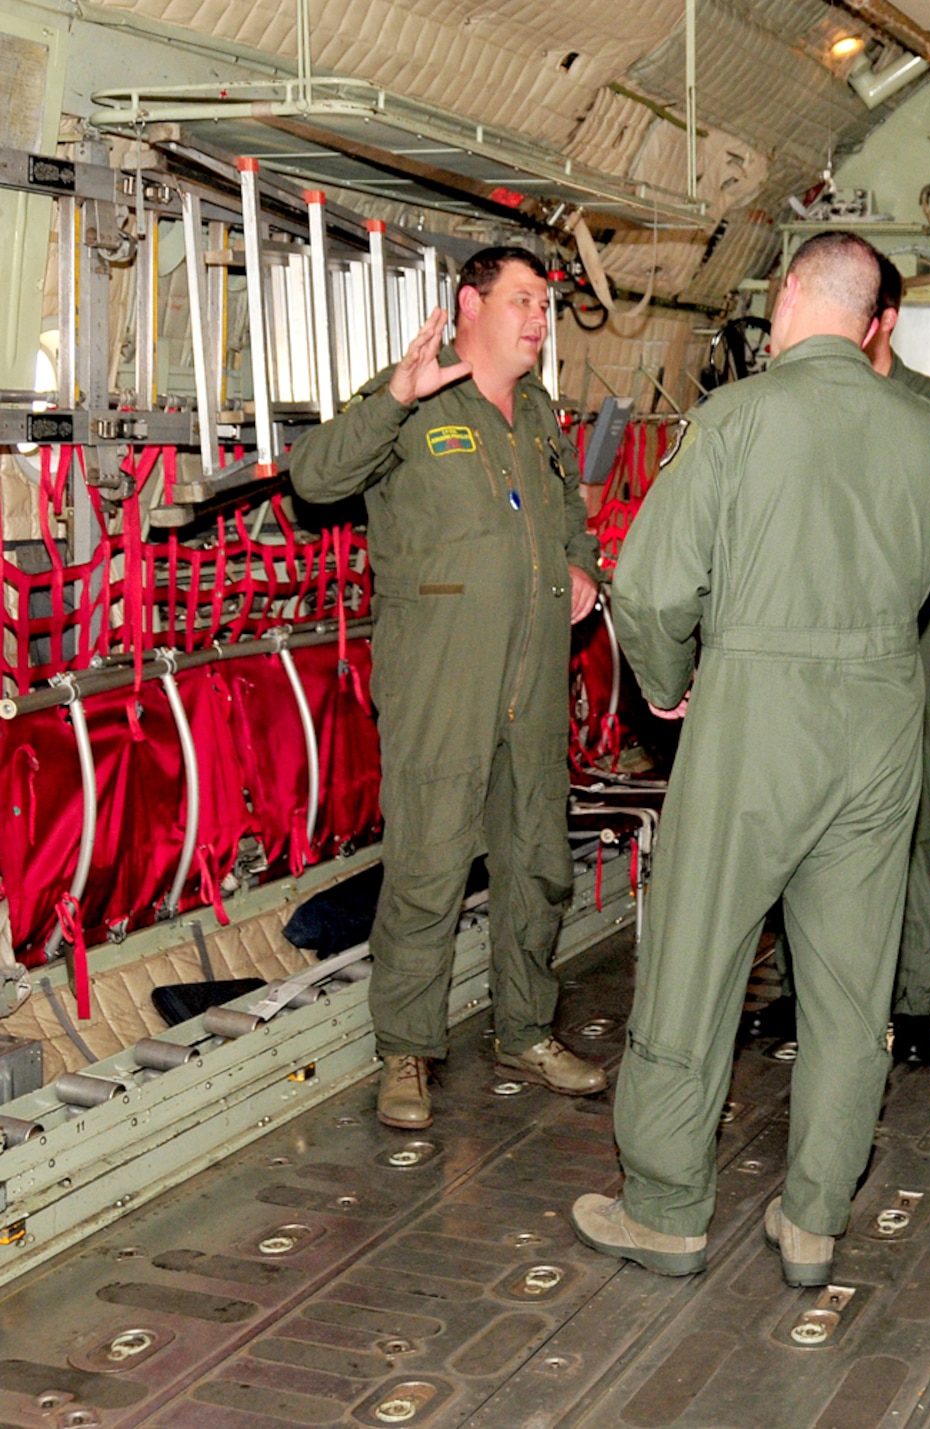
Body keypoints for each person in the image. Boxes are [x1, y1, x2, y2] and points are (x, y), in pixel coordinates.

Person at [570, 233, 930, 1288]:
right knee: (851, 987)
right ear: (876, 319)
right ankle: (813, 1219)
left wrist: (661, 684)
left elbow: (654, 587)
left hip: (758, 707)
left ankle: (665, 1206)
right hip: (882, 719)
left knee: (697, 957)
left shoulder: (739, 415)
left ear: (790, 294)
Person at [291, 246, 606, 1132]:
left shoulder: (539, 410)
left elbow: (568, 517)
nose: (540, 318)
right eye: (523, 300)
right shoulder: (415, 393)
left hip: (533, 671)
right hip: (441, 674)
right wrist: (398, 394)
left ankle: (526, 1028)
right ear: (469, 303)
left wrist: (580, 567)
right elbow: (314, 477)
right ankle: (407, 1050)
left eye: (545, 303)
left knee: (537, 859)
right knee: (429, 863)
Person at [743, 255, 930, 1067]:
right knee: (804, 818)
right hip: (810, 642)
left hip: (898, 640)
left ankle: (910, 1001)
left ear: (884, 320)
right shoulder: (796, 401)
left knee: (907, 828)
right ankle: (802, 987)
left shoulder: (926, 410)